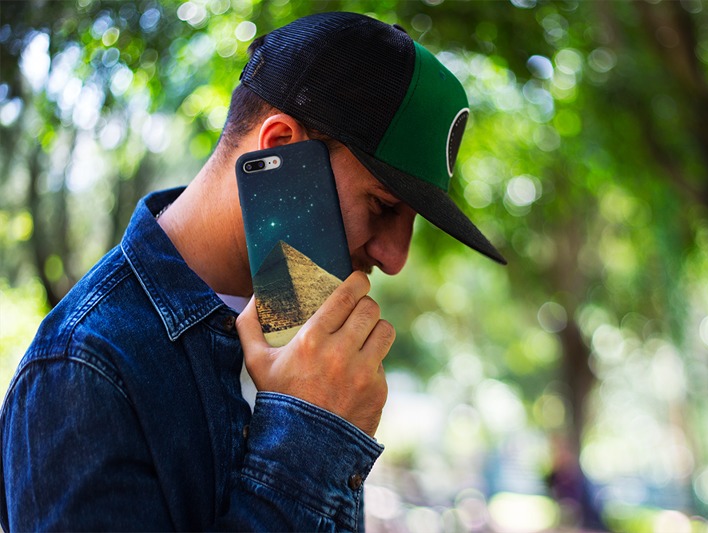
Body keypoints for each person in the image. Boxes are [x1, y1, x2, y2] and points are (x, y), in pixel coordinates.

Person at [0, 11, 506, 531]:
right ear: (280, 147)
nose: (395, 258)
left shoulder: (306, 337)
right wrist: (309, 432)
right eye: (382, 205)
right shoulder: (82, 368)